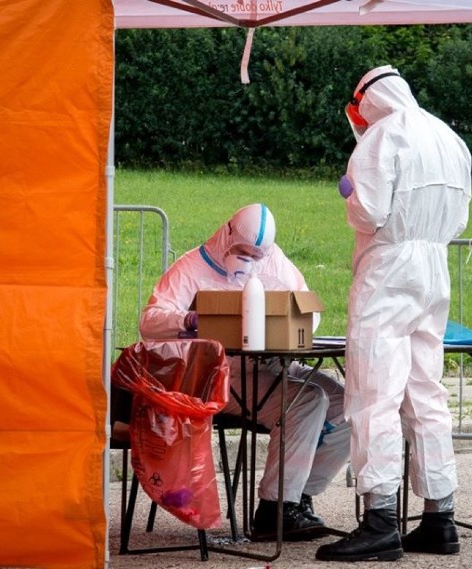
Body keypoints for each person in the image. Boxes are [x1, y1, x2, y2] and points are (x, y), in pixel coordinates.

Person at [316, 65, 472, 562]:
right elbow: (462, 215)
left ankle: (380, 519)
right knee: (426, 391)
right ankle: (439, 517)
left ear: (367, 101)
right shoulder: (449, 136)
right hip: (435, 266)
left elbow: (368, 212)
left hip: (388, 268)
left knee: (373, 393)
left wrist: (347, 189)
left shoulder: (382, 136)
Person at [139, 203, 351, 542]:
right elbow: (149, 322)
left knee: (348, 405)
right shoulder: (191, 268)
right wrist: (185, 321)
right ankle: (274, 508)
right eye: (242, 252)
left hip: (270, 363)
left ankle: (298, 495)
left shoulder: (274, 259)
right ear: (227, 235)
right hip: (222, 375)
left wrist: (285, 326)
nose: (249, 261)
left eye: (257, 255)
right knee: (307, 401)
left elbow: (307, 307)